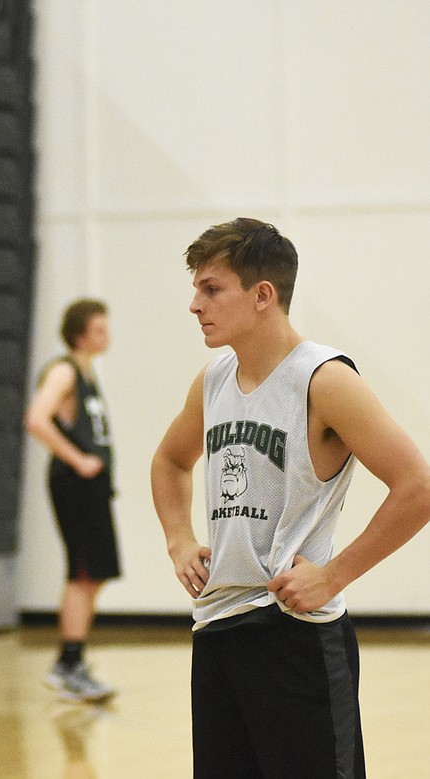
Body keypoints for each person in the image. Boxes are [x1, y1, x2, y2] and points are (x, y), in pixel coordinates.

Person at [150, 217, 430, 777]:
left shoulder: (324, 380)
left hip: (295, 634)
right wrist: (180, 540)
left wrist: (334, 574)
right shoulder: (212, 381)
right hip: (217, 630)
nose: (194, 305)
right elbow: (170, 460)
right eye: (196, 289)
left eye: (210, 289)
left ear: (262, 296)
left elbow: (418, 487)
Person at [25, 299, 120, 703]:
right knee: (83, 573)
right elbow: (36, 419)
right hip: (74, 486)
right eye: (99, 328)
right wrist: (79, 460)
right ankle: (69, 664)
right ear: (80, 333)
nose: (106, 335)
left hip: (91, 488)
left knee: (92, 573)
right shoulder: (64, 370)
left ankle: (72, 660)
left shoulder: (87, 371)